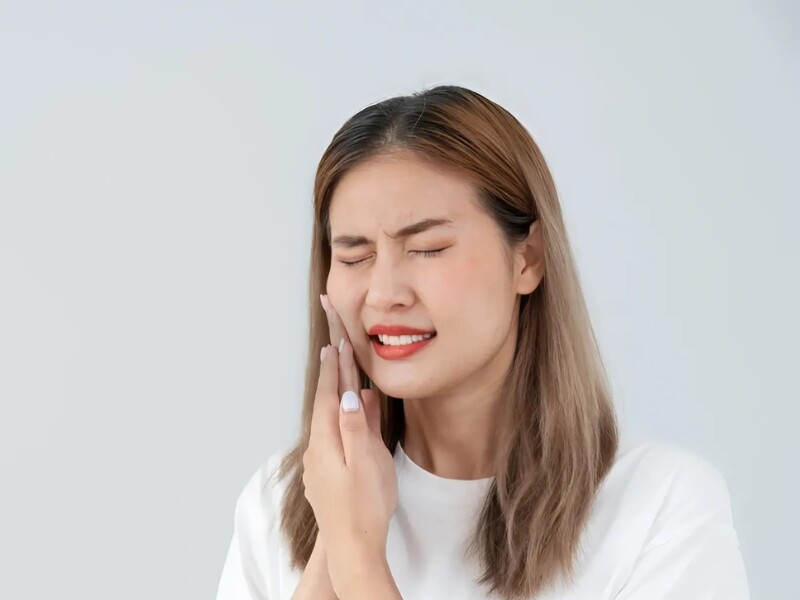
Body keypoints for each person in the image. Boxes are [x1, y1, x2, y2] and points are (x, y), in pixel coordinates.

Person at [215, 85, 750, 599]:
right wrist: (328, 547)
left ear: (528, 258)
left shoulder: (660, 507)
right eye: (354, 256)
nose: (383, 294)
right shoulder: (279, 503)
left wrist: (358, 562)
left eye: (427, 248)